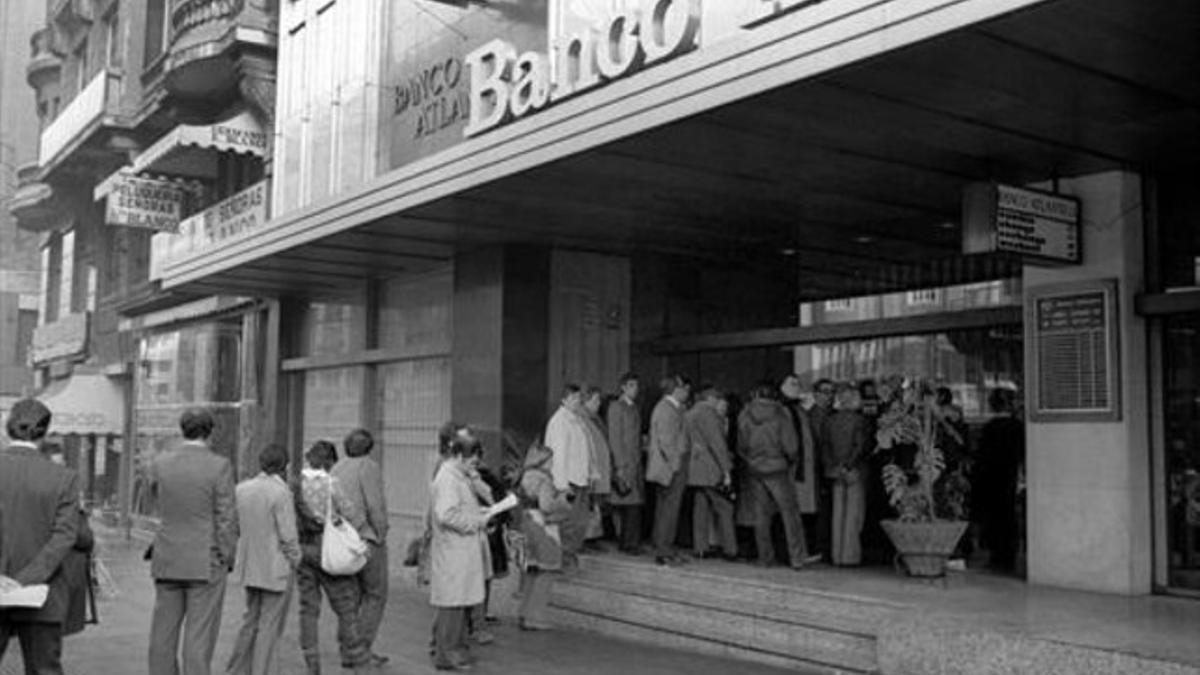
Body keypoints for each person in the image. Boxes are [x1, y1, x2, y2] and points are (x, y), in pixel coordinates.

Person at [147, 408, 238, 675]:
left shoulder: (160, 463)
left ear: (181, 429)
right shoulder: (219, 466)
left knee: (162, 633)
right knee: (199, 636)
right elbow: (226, 517)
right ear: (210, 433)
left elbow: (156, 502)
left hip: (167, 556)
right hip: (205, 560)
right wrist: (228, 555)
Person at [0, 399, 82, 675]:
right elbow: (64, 537)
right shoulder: (64, 478)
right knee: (44, 670)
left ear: (8, 426)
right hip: (42, 594)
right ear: (45, 432)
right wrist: (23, 580)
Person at [293, 441, 371, 675]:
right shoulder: (331, 483)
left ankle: (312, 665)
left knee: (308, 608)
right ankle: (358, 662)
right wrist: (363, 537)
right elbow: (349, 512)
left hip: (303, 549)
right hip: (329, 549)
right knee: (346, 607)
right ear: (329, 462)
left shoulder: (295, 483)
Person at [227, 443, 302, 675]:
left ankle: (237, 669)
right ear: (285, 467)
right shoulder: (281, 493)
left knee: (251, 619)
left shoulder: (242, 489)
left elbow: (234, 525)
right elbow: (288, 535)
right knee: (269, 625)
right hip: (275, 565)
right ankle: (261, 670)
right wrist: (296, 558)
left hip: (249, 564)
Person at [738, 384, 817, 569]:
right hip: (778, 469)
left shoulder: (745, 414)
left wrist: (751, 460)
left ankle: (765, 558)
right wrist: (790, 460)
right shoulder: (781, 414)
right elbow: (791, 446)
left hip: (755, 469)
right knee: (790, 514)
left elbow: (741, 446)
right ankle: (797, 557)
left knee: (761, 516)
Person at [429, 437, 491, 671]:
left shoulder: (457, 475)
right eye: (472, 460)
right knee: (452, 607)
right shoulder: (448, 478)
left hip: (460, 550)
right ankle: (448, 654)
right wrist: (475, 522)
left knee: (460, 603)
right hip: (454, 550)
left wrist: (479, 513)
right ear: (458, 456)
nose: (474, 465)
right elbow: (447, 514)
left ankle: (456, 650)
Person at [331, 429, 389, 666]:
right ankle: (360, 649)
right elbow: (375, 505)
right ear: (369, 447)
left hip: (343, 540)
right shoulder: (369, 467)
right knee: (375, 594)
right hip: (366, 539)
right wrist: (380, 533)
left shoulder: (337, 468)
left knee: (351, 598)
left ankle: (347, 648)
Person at [515, 442, 573, 631]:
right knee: (546, 572)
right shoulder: (544, 480)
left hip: (526, 523)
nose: (552, 464)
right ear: (543, 461)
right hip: (543, 528)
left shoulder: (525, 477)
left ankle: (524, 613)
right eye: (551, 460)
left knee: (532, 572)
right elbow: (547, 506)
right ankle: (535, 617)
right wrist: (563, 500)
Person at [975, 388, 1025, 572]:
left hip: (991, 479)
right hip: (1010, 477)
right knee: (1009, 516)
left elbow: (981, 457)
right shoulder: (1018, 426)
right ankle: (1009, 555)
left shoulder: (989, 428)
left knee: (994, 518)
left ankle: (997, 556)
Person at [685, 387, 737, 560]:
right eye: (717, 400)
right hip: (710, 468)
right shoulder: (709, 414)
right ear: (711, 399)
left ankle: (700, 547)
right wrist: (726, 470)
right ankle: (730, 550)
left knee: (700, 508)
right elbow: (718, 444)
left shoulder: (689, 413)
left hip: (695, 469)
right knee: (725, 507)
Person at [543, 384, 592, 561]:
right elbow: (558, 454)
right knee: (569, 523)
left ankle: (568, 555)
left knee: (579, 522)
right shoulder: (559, 422)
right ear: (564, 400)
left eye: (579, 397)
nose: (578, 401)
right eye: (573, 398)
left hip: (580, 478)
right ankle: (563, 557)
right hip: (568, 481)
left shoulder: (575, 418)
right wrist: (562, 485)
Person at [647, 374, 692, 566]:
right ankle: (664, 551)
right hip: (671, 467)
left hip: (670, 466)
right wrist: (676, 466)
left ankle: (664, 547)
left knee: (666, 509)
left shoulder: (673, 408)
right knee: (669, 510)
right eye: (685, 389)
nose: (687, 392)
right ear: (676, 389)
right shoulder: (666, 409)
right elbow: (667, 442)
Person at [825, 386, 870, 566]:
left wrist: (836, 466)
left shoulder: (830, 421)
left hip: (835, 471)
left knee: (838, 514)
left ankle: (837, 555)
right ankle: (850, 556)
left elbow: (825, 446)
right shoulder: (860, 421)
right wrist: (849, 465)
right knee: (853, 514)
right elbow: (860, 446)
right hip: (854, 470)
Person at [606, 372, 644, 555]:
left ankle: (629, 541)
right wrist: (620, 465)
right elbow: (615, 438)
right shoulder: (616, 407)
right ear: (623, 387)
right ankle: (629, 543)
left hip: (635, 462)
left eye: (636, 386)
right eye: (632, 386)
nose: (635, 390)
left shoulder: (634, 408)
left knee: (633, 504)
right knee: (630, 504)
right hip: (625, 463)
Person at [779, 375, 819, 545]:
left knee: (799, 511)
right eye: (792, 384)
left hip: (801, 468)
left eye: (798, 384)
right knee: (791, 511)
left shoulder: (798, 410)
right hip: (793, 469)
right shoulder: (785, 410)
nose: (797, 387)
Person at [579, 386, 613, 546]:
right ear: (586, 400)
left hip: (598, 469)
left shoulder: (595, 418)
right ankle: (586, 537)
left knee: (596, 505)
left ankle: (592, 537)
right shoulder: (581, 419)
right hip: (589, 470)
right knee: (589, 506)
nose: (599, 403)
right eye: (596, 399)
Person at [808, 378, 837, 559]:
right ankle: (820, 547)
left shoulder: (833, 414)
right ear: (815, 394)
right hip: (818, 469)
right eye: (825, 391)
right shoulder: (813, 416)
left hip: (830, 467)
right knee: (821, 510)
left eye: (832, 392)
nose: (830, 396)